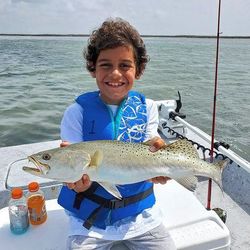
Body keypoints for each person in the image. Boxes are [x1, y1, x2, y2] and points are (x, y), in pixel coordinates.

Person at [59, 17, 176, 250]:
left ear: (138, 69)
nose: (115, 74)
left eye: (125, 65)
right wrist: (75, 183)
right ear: (93, 68)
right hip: (89, 220)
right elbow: (70, 163)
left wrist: (160, 161)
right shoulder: (77, 113)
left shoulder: (148, 107)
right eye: (105, 64)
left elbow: (149, 144)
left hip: (142, 216)